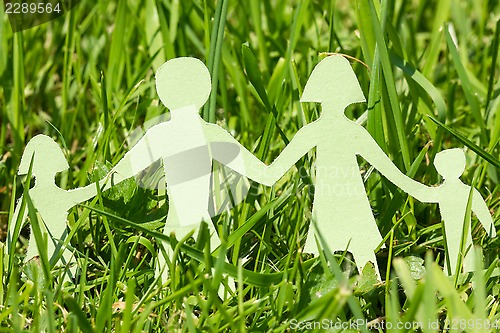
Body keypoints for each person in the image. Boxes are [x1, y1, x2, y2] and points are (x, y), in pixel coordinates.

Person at [262, 55, 429, 279]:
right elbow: (390, 171)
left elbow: (271, 173)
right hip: (343, 201)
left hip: (339, 201)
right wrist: (422, 191)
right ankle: (367, 288)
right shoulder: (349, 131)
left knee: (333, 255)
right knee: (350, 252)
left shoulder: (320, 131)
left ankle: (334, 291)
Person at [106, 57, 272, 282]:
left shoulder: (164, 135)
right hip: (192, 221)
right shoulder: (208, 133)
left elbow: (116, 175)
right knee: (219, 283)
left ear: (162, 93)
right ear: (206, 91)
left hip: (180, 222)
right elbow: (264, 174)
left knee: (163, 283)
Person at [8, 134, 98, 280]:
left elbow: (85, 193)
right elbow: (15, 226)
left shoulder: (55, 195)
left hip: (62, 252)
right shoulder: (31, 196)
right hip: (39, 253)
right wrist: (6, 252)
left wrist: (107, 181)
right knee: (34, 280)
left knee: (67, 276)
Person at [409, 148, 496, 275]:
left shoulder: (444, 192)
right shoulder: (468, 191)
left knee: (453, 264)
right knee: (464, 262)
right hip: (461, 238)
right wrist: (491, 232)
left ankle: (452, 288)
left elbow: (421, 194)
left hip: (454, 237)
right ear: (462, 166)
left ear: (439, 169)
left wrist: (400, 180)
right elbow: (482, 212)